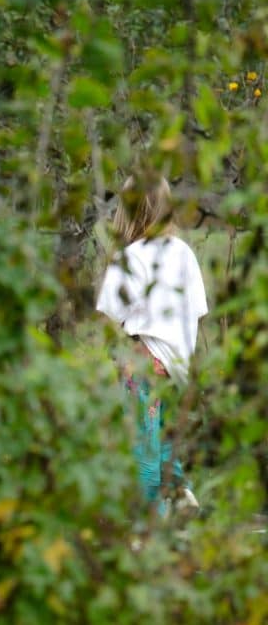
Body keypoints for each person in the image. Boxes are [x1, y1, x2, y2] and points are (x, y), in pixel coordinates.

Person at [95, 174, 208, 516]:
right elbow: (198, 310)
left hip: (143, 365)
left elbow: (107, 315)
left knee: (143, 448)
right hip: (177, 367)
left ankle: (148, 524)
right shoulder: (184, 253)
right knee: (167, 442)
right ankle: (181, 492)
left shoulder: (130, 258)